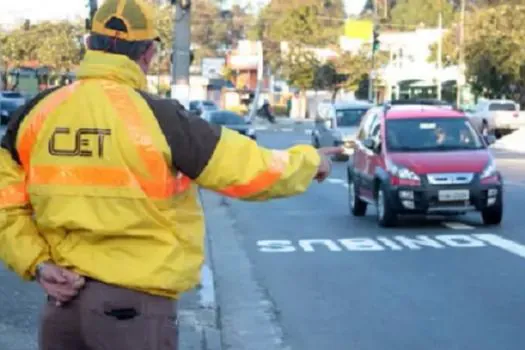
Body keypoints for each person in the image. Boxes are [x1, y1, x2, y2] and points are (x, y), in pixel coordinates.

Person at [0, 0, 343, 349]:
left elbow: (5, 204)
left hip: (61, 307)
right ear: (148, 54)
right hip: (133, 315)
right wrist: (308, 161)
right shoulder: (160, 118)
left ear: (90, 45)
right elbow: (246, 170)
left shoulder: (35, 114)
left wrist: (37, 263)